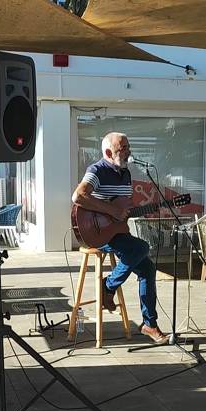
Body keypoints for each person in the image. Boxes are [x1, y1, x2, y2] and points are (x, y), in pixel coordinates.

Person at [72, 132, 169, 344]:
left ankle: (149, 325)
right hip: (97, 232)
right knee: (141, 247)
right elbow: (78, 196)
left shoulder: (125, 173)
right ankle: (108, 287)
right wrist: (112, 211)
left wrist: (143, 209)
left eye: (128, 147)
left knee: (148, 269)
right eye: (122, 148)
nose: (128, 151)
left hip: (117, 232)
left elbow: (123, 210)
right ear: (108, 152)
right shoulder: (96, 170)